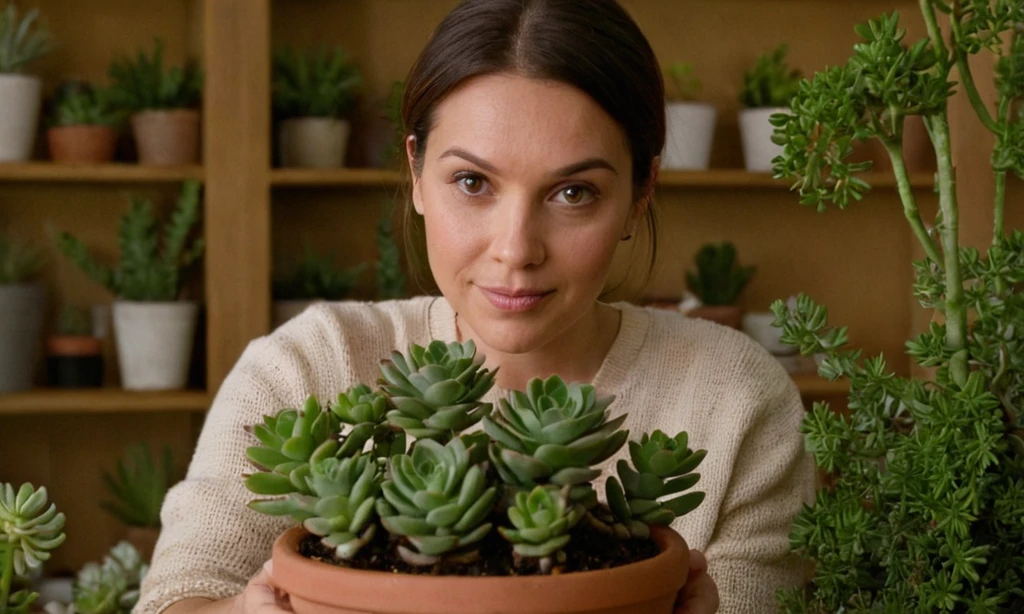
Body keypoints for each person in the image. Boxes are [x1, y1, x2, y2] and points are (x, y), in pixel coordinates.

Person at [133, 1, 814, 613]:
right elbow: (177, 597)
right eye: (472, 182)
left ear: (640, 193)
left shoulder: (735, 397)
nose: (515, 250)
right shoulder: (312, 365)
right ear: (417, 176)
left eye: (573, 193)